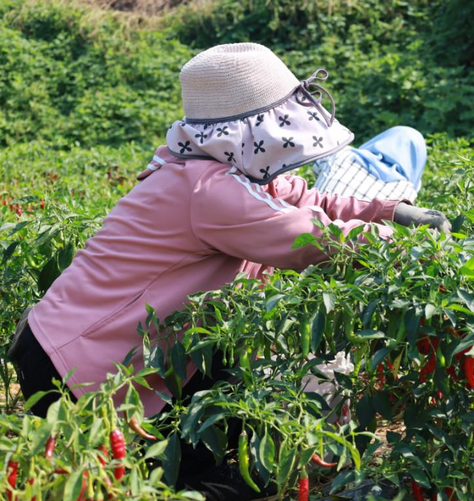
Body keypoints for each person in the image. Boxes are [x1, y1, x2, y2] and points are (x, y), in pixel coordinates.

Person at [7, 43, 449, 497]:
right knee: (157, 480)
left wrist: (392, 211)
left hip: (97, 350)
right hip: (73, 365)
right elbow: (306, 236)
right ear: (251, 131)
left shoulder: (226, 171)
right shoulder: (207, 190)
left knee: (214, 429)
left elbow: (309, 199)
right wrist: (400, 246)